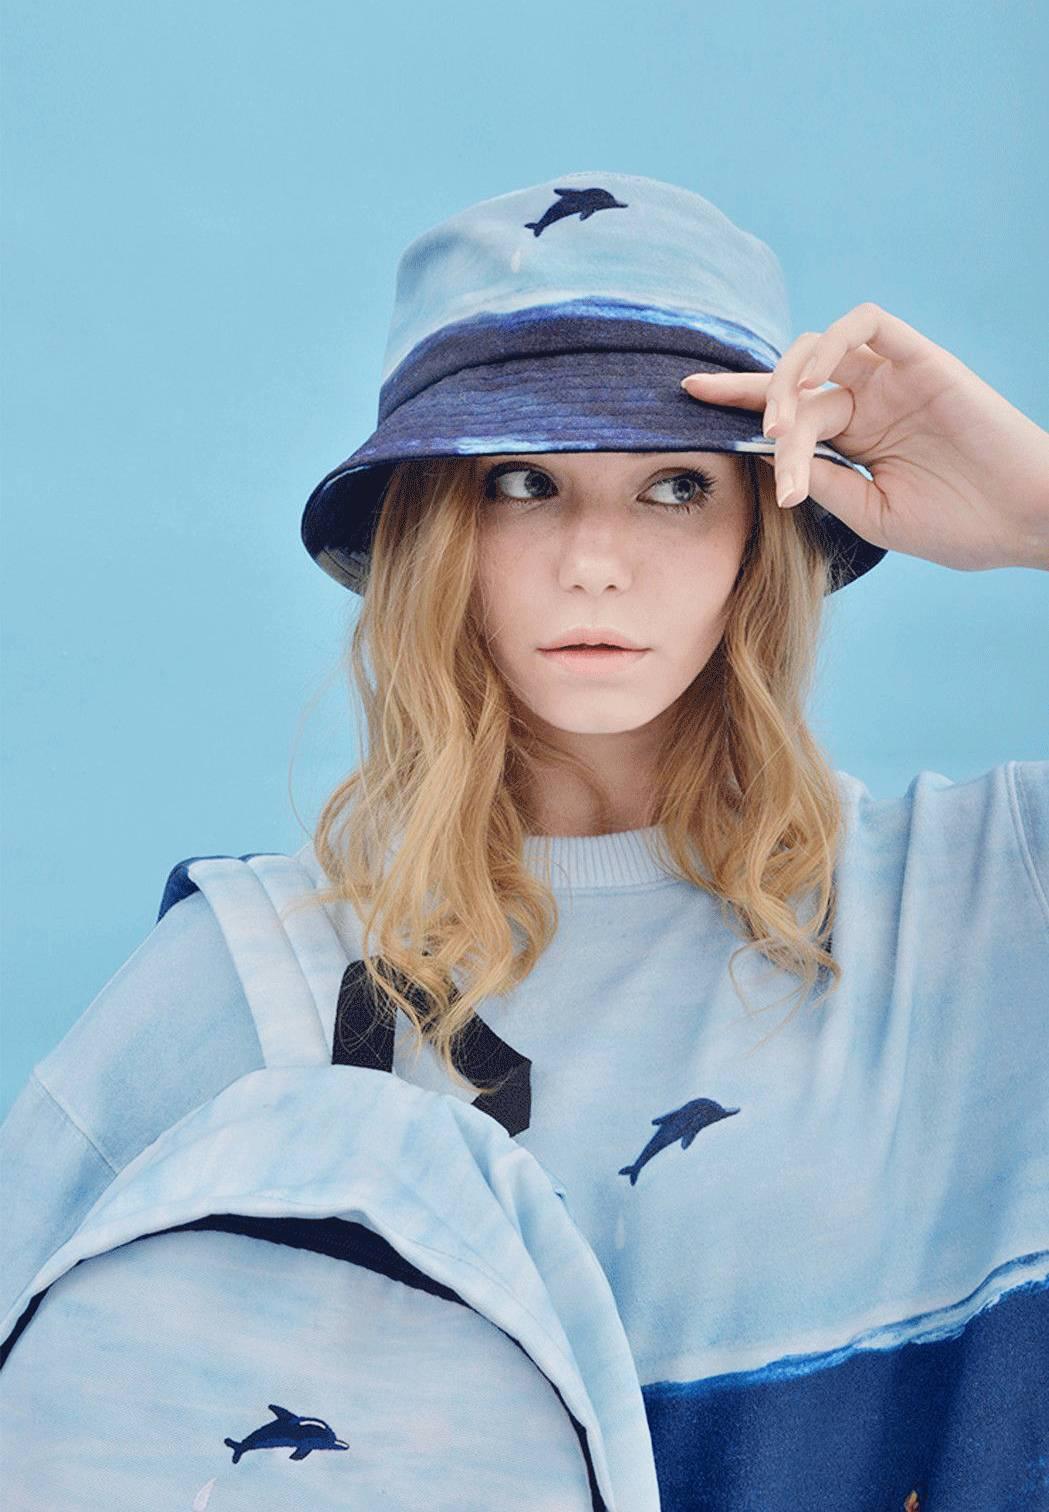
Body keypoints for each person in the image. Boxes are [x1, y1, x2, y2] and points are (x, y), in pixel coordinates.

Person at [2, 170, 1048, 1511]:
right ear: (428, 531)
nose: (595, 560)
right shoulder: (256, 981)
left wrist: (1040, 510)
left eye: (676, 484)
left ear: (765, 525)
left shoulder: (989, 896)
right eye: (520, 481)